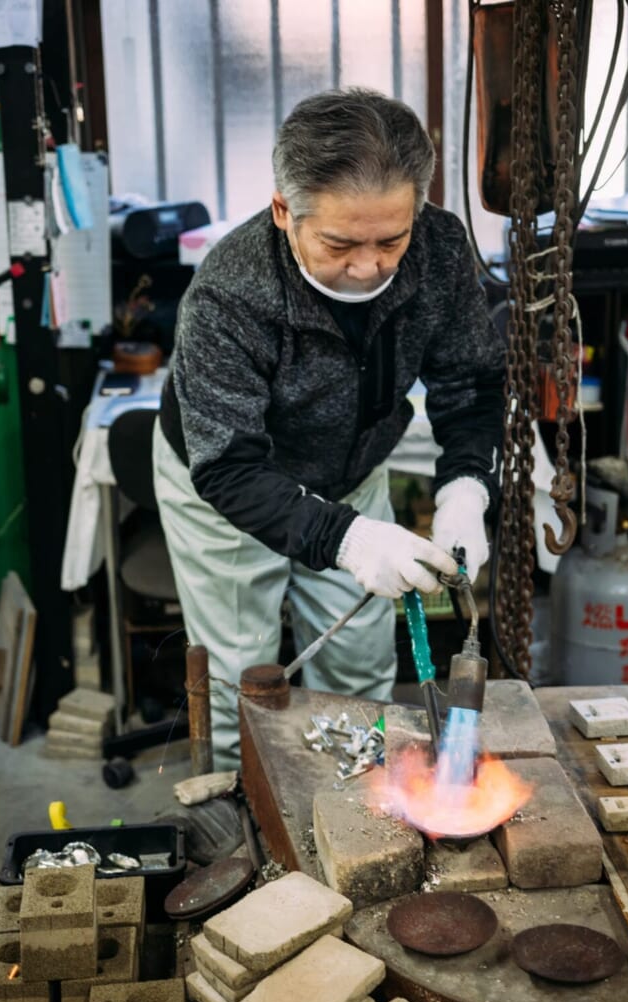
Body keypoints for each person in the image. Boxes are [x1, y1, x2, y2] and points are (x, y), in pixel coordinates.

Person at [153, 87, 505, 770]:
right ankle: (246, 839)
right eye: (340, 242)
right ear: (285, 211)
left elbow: (469, 383)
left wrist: (465, 487)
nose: (370, 264)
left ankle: (358, 822)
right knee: (242, 679)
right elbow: (227, 467)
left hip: (350, 471)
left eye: (390, 239)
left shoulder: (437, 248)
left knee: (358, 669)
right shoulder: (229, 292)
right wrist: (344, 539)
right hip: (228, 485)